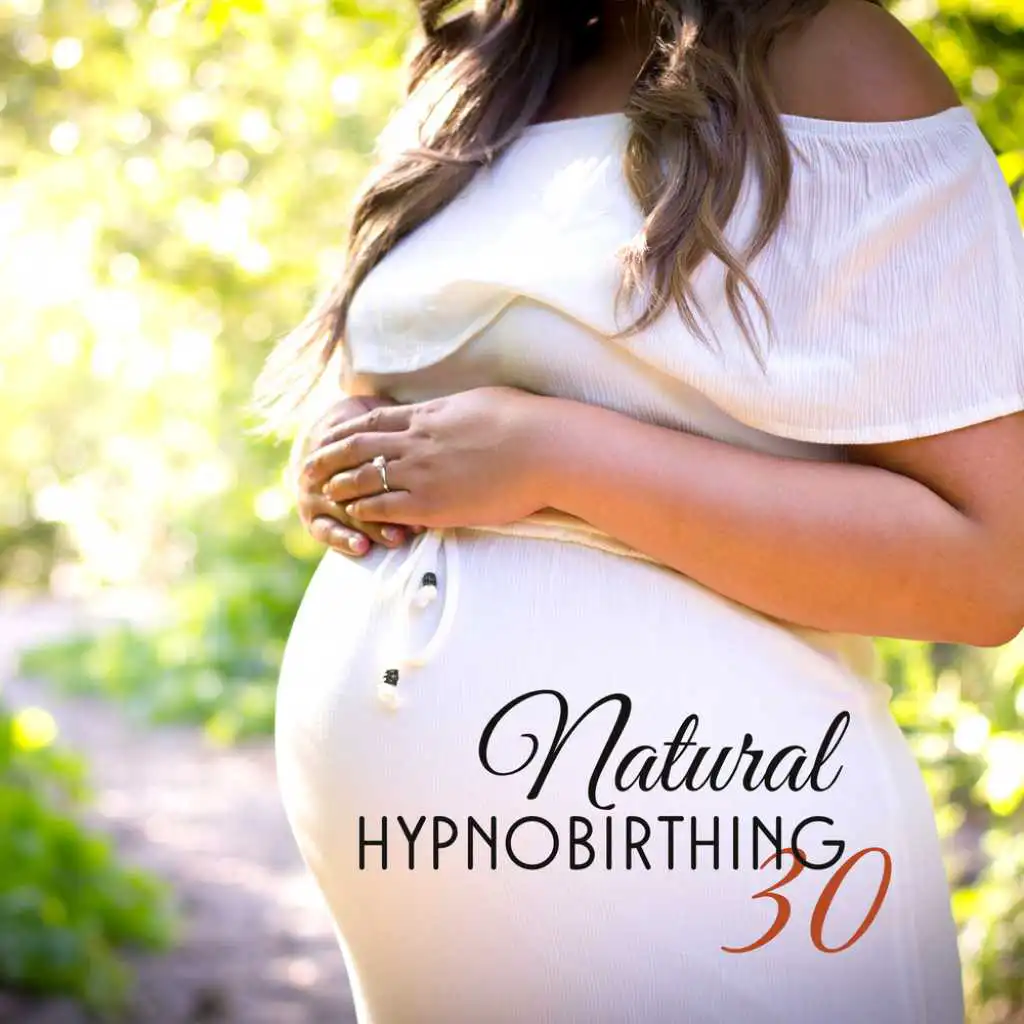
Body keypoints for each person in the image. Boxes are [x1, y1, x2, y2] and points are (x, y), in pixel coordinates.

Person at [261, 1, 1024, 1021]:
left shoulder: (840, 61)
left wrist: (557, 456)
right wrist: (340, 448)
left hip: (725, 860)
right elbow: (392, 377)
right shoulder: (483, 67)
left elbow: (988, 568)